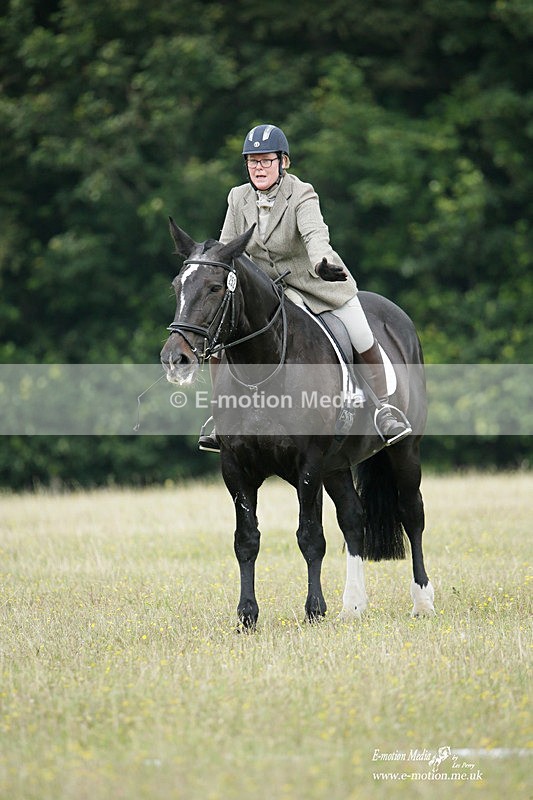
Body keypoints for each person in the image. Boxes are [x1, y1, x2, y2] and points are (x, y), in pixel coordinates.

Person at [199, 123, 411, 451]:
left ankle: (384, 407)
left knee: (360, 331)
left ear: (284, 162)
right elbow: (228, 248)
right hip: (266, 292)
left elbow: (315, 235)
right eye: (252, 162)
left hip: (315, 283)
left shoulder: (301, 193)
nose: (259, 168)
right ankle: (220, 414)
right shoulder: (237, 197)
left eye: (266, 161)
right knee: (222, 335)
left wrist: (322, 262)